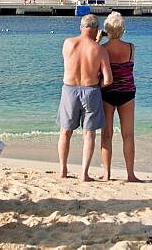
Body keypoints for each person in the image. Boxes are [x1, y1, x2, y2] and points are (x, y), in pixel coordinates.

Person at [57, 14, 113, 181]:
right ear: (96, 29)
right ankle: (84, 174)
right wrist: (97, 86)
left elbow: (80, 53)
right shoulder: (100, 50)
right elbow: (108, 79)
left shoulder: (68, 43)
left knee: (65, 132)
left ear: (81, 27)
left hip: (69, 90)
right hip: (91, 90)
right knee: (89, 134)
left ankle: (63, 170)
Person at [99, 11, 141, 182]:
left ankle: (107, 174)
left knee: (106, 134)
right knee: (128, 135)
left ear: (107, 29)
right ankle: (130, 174)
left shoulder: (102, 49)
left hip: (107, 92)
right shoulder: (131, 48)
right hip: (127, 93)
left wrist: (98, 39)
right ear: (122, 29)